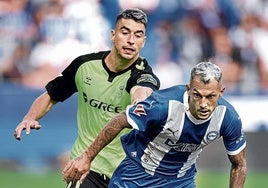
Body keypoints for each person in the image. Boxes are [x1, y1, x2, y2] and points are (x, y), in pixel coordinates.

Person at [13, 8, 160, 188]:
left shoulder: (143, 75)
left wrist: (139, 103)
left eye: (138, 35)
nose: (131, 41)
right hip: (85, 168)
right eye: (125, 32)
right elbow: (51, 95)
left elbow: (141, 91)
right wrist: (30, 117)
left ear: (143, 42)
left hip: (126, 174)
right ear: (113, 35)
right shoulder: (84, 66)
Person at [62, 61, 247, 188]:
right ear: (189, 89)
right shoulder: (162, 106)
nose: (203, 103)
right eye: (197, 95)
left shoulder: (228, 118)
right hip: (136, 176)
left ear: (221, 92)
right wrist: (87, 157)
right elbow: (119, 120)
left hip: (180, 182)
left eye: (211, 96)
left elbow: (239, 165)